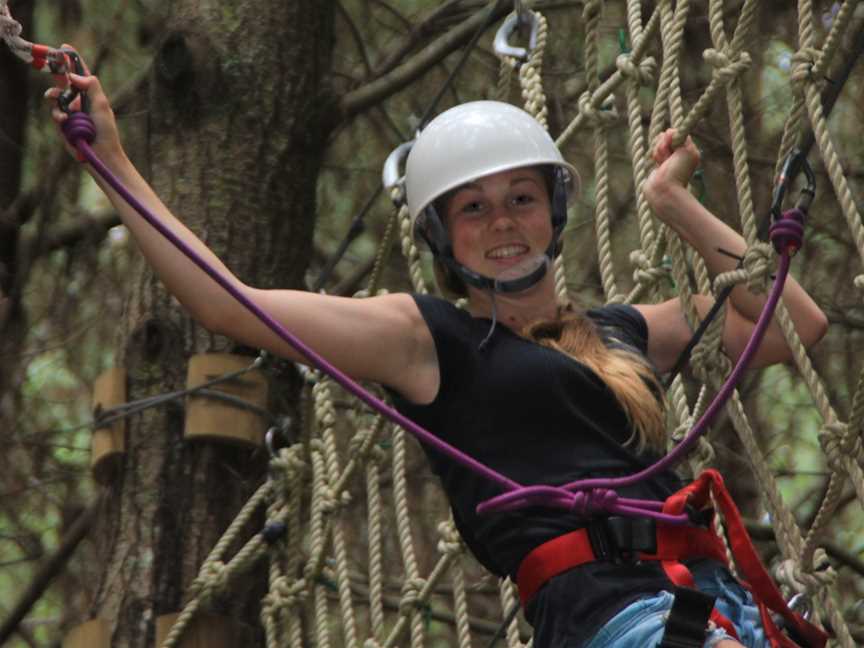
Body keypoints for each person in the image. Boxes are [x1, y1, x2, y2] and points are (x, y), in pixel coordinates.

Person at [48, 69, 828, 647]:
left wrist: (674, 204)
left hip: (728, 609)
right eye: (474, 209)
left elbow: (799, 321)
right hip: (615, 624)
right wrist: (111, 160)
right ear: (442, 238)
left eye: (521, 198)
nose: (501, 223)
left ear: (553, 211)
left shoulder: (626, 329)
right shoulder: (430, 341)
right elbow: (227, 303)